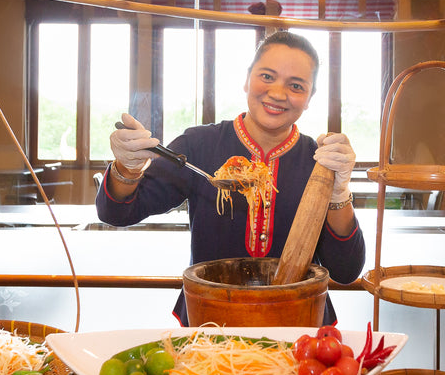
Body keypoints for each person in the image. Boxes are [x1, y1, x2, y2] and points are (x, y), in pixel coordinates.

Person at [97, 30, 365, 324]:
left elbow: (346, 270)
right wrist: (127, 167)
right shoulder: (198, 145)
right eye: (266, 76)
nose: (277, 93)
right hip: (211, 319)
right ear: (247, 79)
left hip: (297, 322)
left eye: (296, 85)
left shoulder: (319, 161)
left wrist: (338, 193)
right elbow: (118, 213)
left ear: (309, 98)